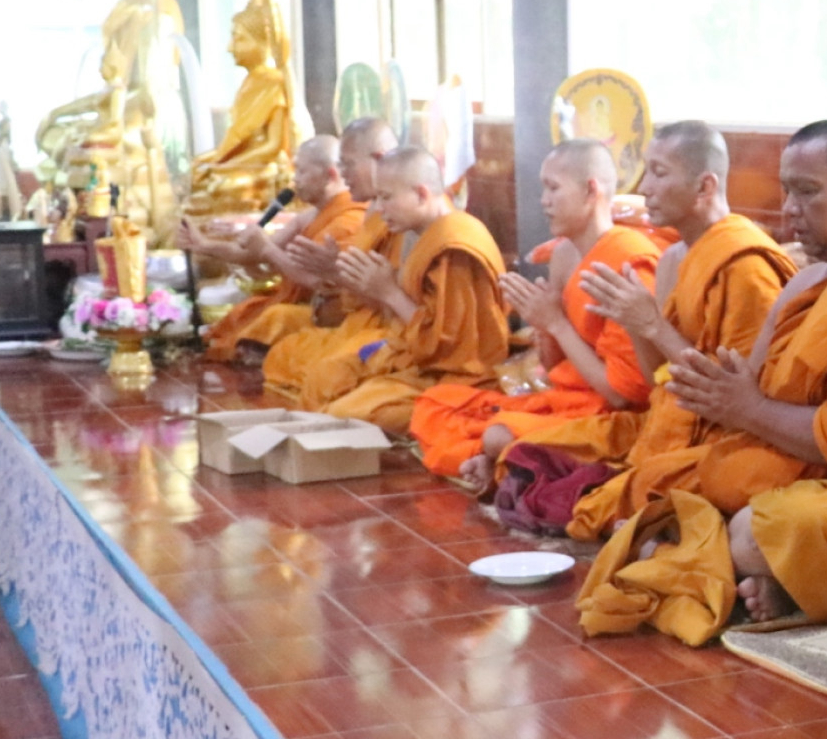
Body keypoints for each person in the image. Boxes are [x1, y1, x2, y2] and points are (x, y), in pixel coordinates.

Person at [575, 119, 827, 647]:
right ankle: (748, 571)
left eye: (808, 192)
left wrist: (745, 409)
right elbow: (752, 384)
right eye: (786, 192)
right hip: (800, 466)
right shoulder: (808, 280)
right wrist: (723, 392)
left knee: (759, 531)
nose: (789, 211)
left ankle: (758, 573)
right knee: (648, 488)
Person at [515, 122, 796, 534]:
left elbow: (739, 398)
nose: (644, 186)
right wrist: (636, 324)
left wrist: (652, 324)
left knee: (618, 504)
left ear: (704, 187)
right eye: (647, 170)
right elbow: (656, 381)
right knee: (527, 459)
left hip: (730, 437)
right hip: (668, 425)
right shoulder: (671, 260)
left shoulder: (745, 265)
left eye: (660, 173)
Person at [408, 140, 667, 487]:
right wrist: (542, 325)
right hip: (566, 401)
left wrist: (556, 324)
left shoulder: (627, 261)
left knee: (498, 436)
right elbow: (556, 365)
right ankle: (501, 464)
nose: (543, 200)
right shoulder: (563, 256)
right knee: (434, 404)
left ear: (591, 190)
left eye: (553, 188)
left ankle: (498, 461)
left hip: (613, 417)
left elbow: (624, 395)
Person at [294, 146, 508, 434]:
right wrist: (348, 276)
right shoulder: (426, 235)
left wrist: (390, 293)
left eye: (387, 197)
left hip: (458, 379)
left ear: (421, 194)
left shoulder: (454, 247)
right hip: (416, 359)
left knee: (345, 415)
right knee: (324, 380)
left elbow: (457, 352)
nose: (380, 209)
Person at [190, 134, 366, 363]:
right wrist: (203, 245)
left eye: (302, 172)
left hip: (330, 313)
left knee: (274, 317)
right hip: (303, 304)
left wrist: (267, 251)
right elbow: (251, 253)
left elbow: (317, 281)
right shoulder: (310, 215)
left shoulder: (349, 219)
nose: (295, 181)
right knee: (252, 309)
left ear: (330, 175)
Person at [259, 117, 401, 395]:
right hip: (360, 321)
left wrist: (332, 272)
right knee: (283, 355)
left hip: (395, 332)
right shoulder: (375, 211)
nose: (343, 174)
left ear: (379, 159)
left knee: (326, 378)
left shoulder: (407, 217)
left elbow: (398, 298)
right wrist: (331, 272)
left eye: (347, 164)